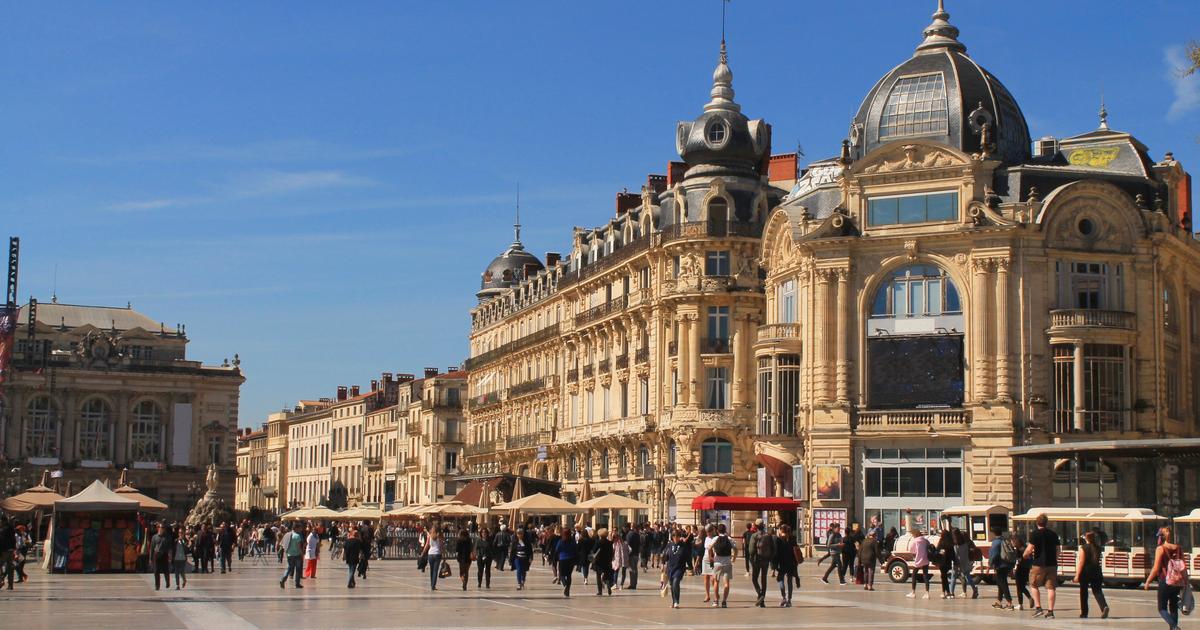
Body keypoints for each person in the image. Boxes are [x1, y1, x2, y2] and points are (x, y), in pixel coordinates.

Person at [1145, 525, 1187, 630]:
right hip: (1177, 582)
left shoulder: (1161, 548)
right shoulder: (1178, 548)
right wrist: (1185, 582)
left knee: (1162, 608)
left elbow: (1156, 568)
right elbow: (1183, 567)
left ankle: (1174, 626)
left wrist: (1148, 581)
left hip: (1165, 581)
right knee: (1173, 607)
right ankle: (1173, 628)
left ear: (1161, 537)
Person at [1023, 512, 1059, 619]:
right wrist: (1055, 559)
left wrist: (1024, 555)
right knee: (1051, 587)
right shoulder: (1053, 534)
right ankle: (1051, 611)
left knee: (1033, 584)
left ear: (1037, 523)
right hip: (1052, 564)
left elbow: (1029, 549)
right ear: (1046, 523)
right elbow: (1058, 550)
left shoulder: (1035, 534)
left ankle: (1038, 608)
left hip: (1038, 564)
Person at [1075, 530, 1109, 619]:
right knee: (1097, 591)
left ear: (1086, 538)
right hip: (1097, 571)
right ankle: (1104, 606)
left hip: (1086, 572)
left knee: (1084, 593)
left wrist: (1077, 575)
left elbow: (1082, 562)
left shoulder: (1084, 547)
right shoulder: (1098, 547)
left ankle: (1084, 613)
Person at [749, 519, 776, 607]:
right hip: (766, 560)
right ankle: (762, 600)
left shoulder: (754, 535)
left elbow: (751, 550)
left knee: (754, 579)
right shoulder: (768, 535)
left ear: (756, 526)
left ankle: (760, 594)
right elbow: (773, 549)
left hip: (757, 559)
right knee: (764, 579)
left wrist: (751, 560)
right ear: (763, 525)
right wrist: (770, 558)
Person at [708, 523, 736, 608]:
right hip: (727, 562)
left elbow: (709, 548)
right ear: (725, 530)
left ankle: (716, 600)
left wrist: (710, 557)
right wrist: (733, 558)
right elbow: (736, 549)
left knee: (716, 582)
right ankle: (724, 601)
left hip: (717, 563)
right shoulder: (729, 539)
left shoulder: (716, 538)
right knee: (726, 583)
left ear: (717, 531)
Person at [773, 524, 801, 606]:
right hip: (792, 563)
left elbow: (776, 553)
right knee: (789, 581)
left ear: (781, 530)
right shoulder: (793, 539)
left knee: (781, 580)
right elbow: (796, 550)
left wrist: (775, 565)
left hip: (782, 564)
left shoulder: (779, 539)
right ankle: (789, 600)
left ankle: (784, 597)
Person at [664, 529, 691, 609]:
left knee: (676, 582)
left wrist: (691, 567)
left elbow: (687, 557)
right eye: (674, 536)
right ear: (672, 537)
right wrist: (663, 564)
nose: (676, 538)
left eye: (678, 536)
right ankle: (673, 601)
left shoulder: (683, 545)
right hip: (670, 567)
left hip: (679, 568)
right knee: (672, 585)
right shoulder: (669, 545)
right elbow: (665, 555)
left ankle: (676, 602)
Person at [988, 528, 1014, 609]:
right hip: (1007, 564)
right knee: (1000, 583)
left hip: (1000, 565)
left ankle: (1009, 602)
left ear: (994, 534)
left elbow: (994, 555)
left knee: (1003, 584)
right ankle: (999, 601)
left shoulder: (995, 542)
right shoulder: (1005, 540)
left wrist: (990, 565)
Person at [949, 528, 979, 599]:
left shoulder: (955, 544)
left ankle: (951, 593)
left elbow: (956, 555)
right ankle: (974, 590)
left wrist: (957, 564)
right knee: (968, 577)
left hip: (957, 563)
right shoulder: (964, 543)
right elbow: (967, 553)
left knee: (953, 577)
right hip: (965, 561)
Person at [906, 526, 932, 599]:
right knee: (925, 576)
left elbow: (912, 550)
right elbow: (929, 546)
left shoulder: (915, 541)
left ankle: (913, 592)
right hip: (926, 560)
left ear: (914, 534)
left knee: (914, 575)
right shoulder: (925, 540)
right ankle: (927, 593)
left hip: (918, 560)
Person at [279, 522, 305, 589]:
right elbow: (299, 547)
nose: (301, 529)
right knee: (298, 569)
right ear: (296, 528)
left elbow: (282, 544)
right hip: (297, 555)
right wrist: (302, 554)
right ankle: (297, 583)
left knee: (289, 568)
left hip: (289, 555)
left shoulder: (287, 534)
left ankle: (283, 579)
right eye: (300, 528)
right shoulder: (297, 536)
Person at [1011, 534, 1032, 611]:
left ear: (1016, 541)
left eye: (1012, 541)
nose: (1012, 543)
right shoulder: (1025, 548)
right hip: (1026, 569)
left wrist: (1014, 567)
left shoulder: (1019, 550)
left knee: (1019, 587)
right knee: (1021, 586)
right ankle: (1024, 602)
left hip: (1020, 569)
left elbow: (1018, 560)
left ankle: (1021, 604)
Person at [556, 528, 579, 598]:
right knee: (569, 575)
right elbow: (576, 550)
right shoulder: (572, 541)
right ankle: (568, 589)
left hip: (562, 559)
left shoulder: (560, 541)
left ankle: (565, 584)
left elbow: (557, 550)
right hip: (571, 559)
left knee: (562, 574)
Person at [591, 528, 615, 596]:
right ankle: (608, 584)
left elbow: (594, 550)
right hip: (607, 561)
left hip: (599, 561)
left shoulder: (598, 542)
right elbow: (611, 552)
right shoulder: (610, 543)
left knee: (598, 576)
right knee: (607, 574)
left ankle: (600, 591)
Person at [151, 523, 173, 591]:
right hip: (156, 554)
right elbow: (152, 548)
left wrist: (170, 556)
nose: (161, 529)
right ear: (158, 528)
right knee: (156, 571)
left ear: (164, 529)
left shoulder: (168, 537)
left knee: (165, 570)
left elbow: (170, 548)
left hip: (164, 554)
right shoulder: (154, 537)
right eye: (160, 527)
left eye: (162, 528)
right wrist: (150, 558)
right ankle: (157, 585)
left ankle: (167, 582)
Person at [935, 523, 954, 598]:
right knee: (945, 577)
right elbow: (953, 554)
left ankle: (945, 592)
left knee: (943, 577)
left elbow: (937, 551)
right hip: (948, 562)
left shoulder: (941, 542)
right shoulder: (950, 543)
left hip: (942, 562)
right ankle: (948, 592)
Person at [701, 524, 717, 603]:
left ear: (712, 531)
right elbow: (706, 548)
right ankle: (707, 595)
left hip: (713, 559)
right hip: (705, 558)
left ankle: (715, 595)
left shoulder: (716, 538)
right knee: (706, 577)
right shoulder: (706, 538)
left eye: (709, 532)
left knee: (713, 578)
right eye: (707, 532)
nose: (708, 533)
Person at [623, 523, 640, 589]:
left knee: (632, 569)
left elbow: (628, 544)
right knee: (635, 569)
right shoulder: (637, 534)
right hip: (636, 554)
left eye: (624, 528)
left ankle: (632, 584)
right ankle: (634, 583)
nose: (624, 529)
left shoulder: (629, 534)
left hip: (631, 554)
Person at [172, 525, 189, 590]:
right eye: (179, 532)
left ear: (184, 533)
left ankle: (184, 580)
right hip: (176, 558)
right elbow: (173, 549)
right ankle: (177, 585)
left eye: (181, 532)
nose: (180, 534)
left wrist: (182, 542)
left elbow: (187, 549)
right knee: (176, 572)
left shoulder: (185, 540)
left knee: (182, 572)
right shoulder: (176, 540)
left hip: (182, 559)